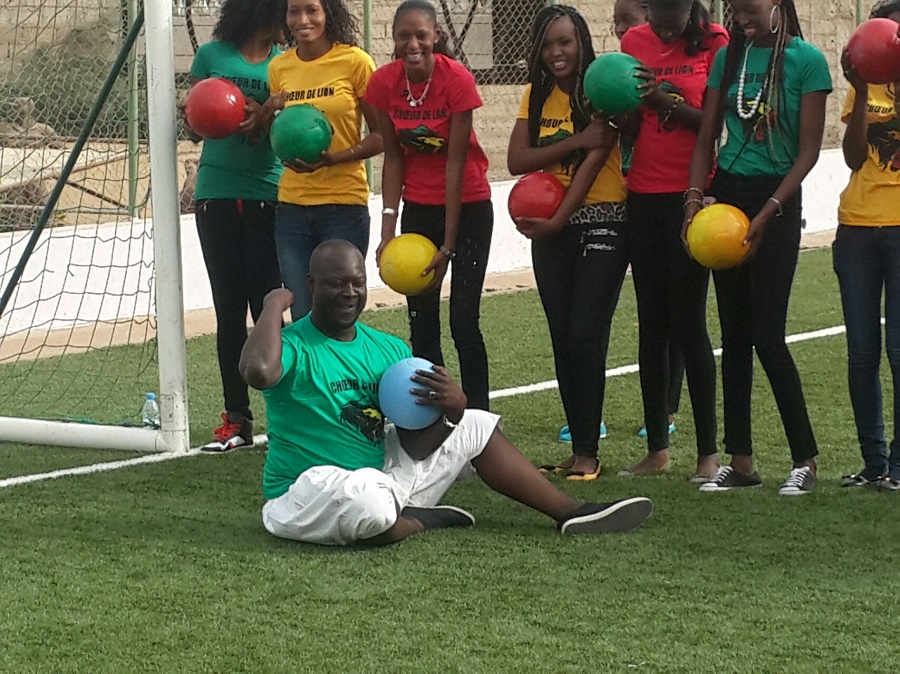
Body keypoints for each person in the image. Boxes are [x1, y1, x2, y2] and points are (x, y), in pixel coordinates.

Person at [239, 240, 654, 546]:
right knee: (368, 501)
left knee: (474, 424)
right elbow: (257, 371)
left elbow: (415, 447)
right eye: (335, 284)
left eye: (357, 283)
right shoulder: (292, 344)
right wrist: (274, 305)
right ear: (311, 284)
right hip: (306, 491)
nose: (349, 293)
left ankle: (570, 512)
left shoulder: (389, 349)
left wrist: (453, 412)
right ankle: (417, 520)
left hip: (381, 478)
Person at [684, 0, 831, 494]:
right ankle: (741, 461)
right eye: (735, 12)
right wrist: (693, 198)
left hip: (779, 199)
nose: (741, 21)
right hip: (728, 198)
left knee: (768, 333)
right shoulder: (729, 59)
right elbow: (707, 133)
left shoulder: (806, 61)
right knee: (735, 335)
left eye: (750, 11)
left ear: (776, 5)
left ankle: (804, 460)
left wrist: (769, 212)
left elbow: (808, 151)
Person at [506, 5, 626, 481]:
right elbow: (517, 158)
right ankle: (578, 452)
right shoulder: (535, 94)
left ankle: (589, 453)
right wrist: (574, 141)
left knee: (584, 334)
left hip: (603, 220)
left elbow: (598, 158)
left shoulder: (600, 90)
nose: (557, 53)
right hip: (549, 225)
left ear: (582, 44)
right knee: (561, 338)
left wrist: (560, 218)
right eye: (548, 44)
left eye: (566, 42)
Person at [618, 0, 728, 480]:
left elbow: (715, 124)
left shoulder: (716, 41)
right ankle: (657, 448)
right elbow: (629, 121)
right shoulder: (633, 42)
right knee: (651, 324)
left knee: (689, 322)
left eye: (672, 15)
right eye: (655, 14)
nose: (662, 25)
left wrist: (667, 104)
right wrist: (617, 106)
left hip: (692, 196)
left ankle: (708, 453)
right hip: (641, 193)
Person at [366, 0, 493, 411]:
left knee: (463, 321)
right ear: (394, 39)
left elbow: (455, 165)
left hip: (468, 209)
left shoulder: (456, 80)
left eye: (421, 35)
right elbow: (394, 157)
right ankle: (433, 417)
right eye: (404, 35)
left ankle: (477, 419)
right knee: (422, 323)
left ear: (436, 36)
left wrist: (449, 246)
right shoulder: (384, 83)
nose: (413, 43)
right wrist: (388, 232)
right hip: (418, 210)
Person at [185, 0, 286, 452]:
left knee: (269, 308)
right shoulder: (212, 56)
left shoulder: (288, 64)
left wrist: (266, 112)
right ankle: (237, 421)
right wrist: (222, 114)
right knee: (228, 309)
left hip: (271, 192)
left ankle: (286, 416)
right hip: (217, 193)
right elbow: (192, 125)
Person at [266, 0, 384, 321]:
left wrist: (333, 159)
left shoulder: (355, 63)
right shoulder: (279, 67)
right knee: (303, 315)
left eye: (312, 10)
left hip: (343, 208)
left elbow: (381, 136)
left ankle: (348, 373)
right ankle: (308, 374)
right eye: (293, 11)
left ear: (327, 13)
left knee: (340, 314)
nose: (302, 19)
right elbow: (283, 132)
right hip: (292, 209)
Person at [834, 0, 900, 492]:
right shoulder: (866, 86)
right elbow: (854, 157)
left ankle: (899, 464)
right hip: (857, 227)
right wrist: (859, 88)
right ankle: (874, 462)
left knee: (899, 350)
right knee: (861, 353)